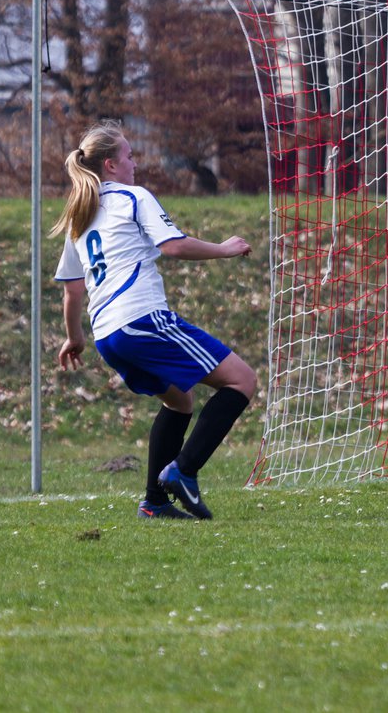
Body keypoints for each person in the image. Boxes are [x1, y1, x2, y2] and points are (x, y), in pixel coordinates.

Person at [51, 120, 257, 521]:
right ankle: (183, 471)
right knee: (242, 380)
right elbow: (175, 246)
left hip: (108, 336)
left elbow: (73, 290)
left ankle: (155, 502)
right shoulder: (132, 197)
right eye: (129, 156)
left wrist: (74, 338)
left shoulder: (80, 217)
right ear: (110, 165)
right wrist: (225, 248)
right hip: (141, 319)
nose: (134, 162)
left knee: (179, 401)